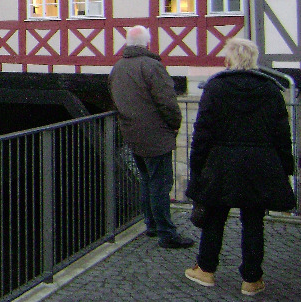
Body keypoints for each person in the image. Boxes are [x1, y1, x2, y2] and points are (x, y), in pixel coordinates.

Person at [184, 38, 295, 296]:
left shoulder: (216, 88)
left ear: (229, 59)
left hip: (221, 163)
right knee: (254, 220)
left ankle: (206, 270)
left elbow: (203, 132)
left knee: (214, 217)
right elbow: (282, 133)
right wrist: (286, 167)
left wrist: (197, 166)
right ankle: (251, 280)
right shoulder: (270, 90)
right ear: (254, 59)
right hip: (260, 164)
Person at [109, 25, 194, 249]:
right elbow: (167, 102)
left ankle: (151, 225)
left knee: (147, 181)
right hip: (155, 135)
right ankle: (166, 232)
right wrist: (175, 124)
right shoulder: (152, 66)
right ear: (147, 43)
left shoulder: (118, 68)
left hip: (132, 133)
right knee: (160, 183)